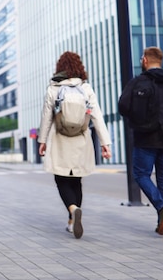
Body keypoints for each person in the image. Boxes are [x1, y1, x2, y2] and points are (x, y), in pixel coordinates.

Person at [118, 46, 163, 235]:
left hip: (145, 137)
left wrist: (136, 120)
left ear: (144, 60)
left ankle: (161, 206)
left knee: (141, 174)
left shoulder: (138, 82)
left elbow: (123, 106)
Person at [38, 51, 112, 239]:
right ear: (79, 67)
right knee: (76, 180)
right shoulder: (86, 88)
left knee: (60, 178)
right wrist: (105, 143)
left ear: (60, 68)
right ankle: (73, 219)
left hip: (60, 139)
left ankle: (72, 210)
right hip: (81, 139)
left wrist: (42, 141)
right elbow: (97, 116)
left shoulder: (53, 88)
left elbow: (46, 118)